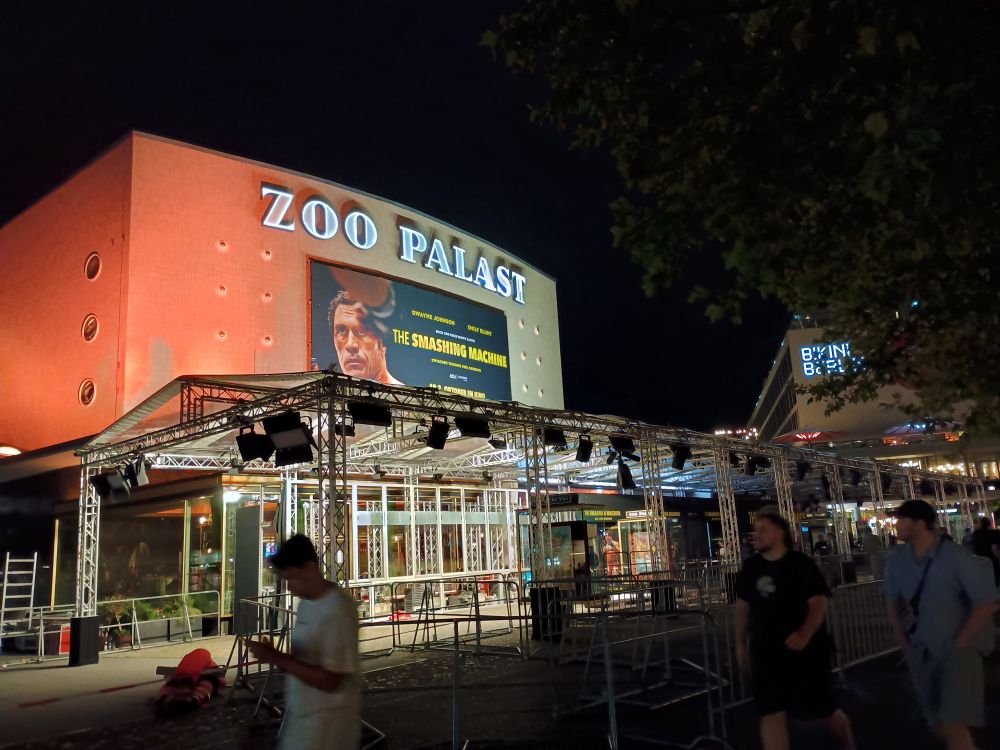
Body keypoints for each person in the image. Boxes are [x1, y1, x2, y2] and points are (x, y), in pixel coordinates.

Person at [735, 511, 856, 750]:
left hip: (806, 653)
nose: (756, 535)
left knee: (824, 711)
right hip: (765, 652)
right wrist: (739, 642)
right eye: (755, 530)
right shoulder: (751, 568)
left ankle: (848, 745)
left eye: (763, 529)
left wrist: (805, 633)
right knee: (771, 712)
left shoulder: (801, 565)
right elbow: (742, 607)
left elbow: (818, 603)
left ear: (780, 532)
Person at [884, 500, 998, 750]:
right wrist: (903, 641)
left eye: (901, 519)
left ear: (920, 524)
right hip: (920, 650)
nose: (896, 525)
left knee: (952, 723)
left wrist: (962, 643)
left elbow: (986, 601)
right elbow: (893, 601)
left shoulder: (956, 557)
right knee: (937, 724)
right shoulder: (896, 559)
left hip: (957, 654)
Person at [247, 535, 361, 750]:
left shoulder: (337, 609)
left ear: (310, 567)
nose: (289, 586)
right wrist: (275, 655)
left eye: (291, 577)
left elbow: (331, 679)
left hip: (328, 730)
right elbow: (304, 659)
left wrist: (275, 657)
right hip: (303, 720)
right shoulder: (307, 604)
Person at [970, 516, 1000, 587]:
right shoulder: (995, 533)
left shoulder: (976, 534)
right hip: (992, 559)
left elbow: (972, 546)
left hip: (980, 559)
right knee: (995, 578)